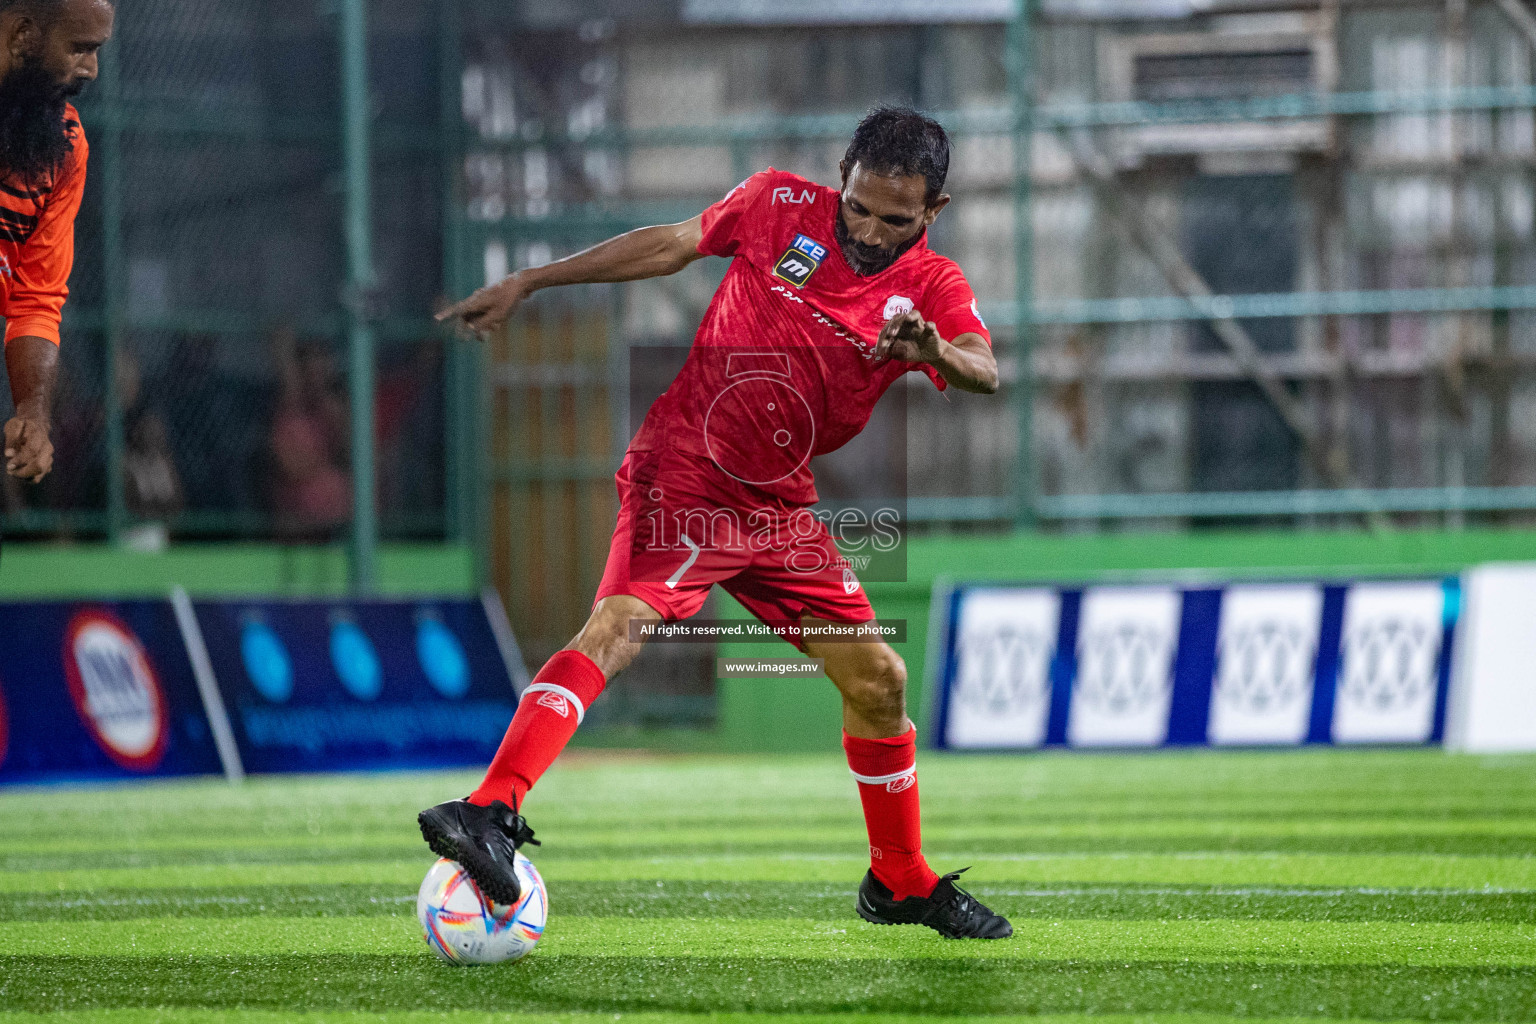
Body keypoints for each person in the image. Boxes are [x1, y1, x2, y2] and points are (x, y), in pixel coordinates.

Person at [424, 107, 1010, 940]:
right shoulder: (775, 203)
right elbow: (669, 242)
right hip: (689, 471)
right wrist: (532, 281)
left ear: (934, 212)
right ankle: (488, 808)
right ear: (840, 178)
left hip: (778, 505)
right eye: (859, 207)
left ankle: (900, 880)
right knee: (622, 626)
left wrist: (934, 353)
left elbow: (984, 367)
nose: (871, 231)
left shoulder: (934, 288)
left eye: (896, 219)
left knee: (879, 681)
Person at [0, 0, 113, 485]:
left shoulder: (65, 145)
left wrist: (33, 412)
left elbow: (37, 299)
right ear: (23, 35)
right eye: (80, 49)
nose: (91, 68)